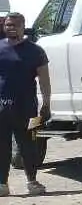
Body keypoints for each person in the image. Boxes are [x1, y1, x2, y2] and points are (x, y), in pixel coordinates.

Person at [0, 12, 50, 195]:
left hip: (29, 108)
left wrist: (47, 103)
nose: (10, 28)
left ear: (23, 26)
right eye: (7, 24)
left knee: (30, 145)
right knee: (2, 146)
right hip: (2, 108)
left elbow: (44, 80)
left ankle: (32, 182)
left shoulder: (36, 51)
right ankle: (2, 185)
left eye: (14, 25)